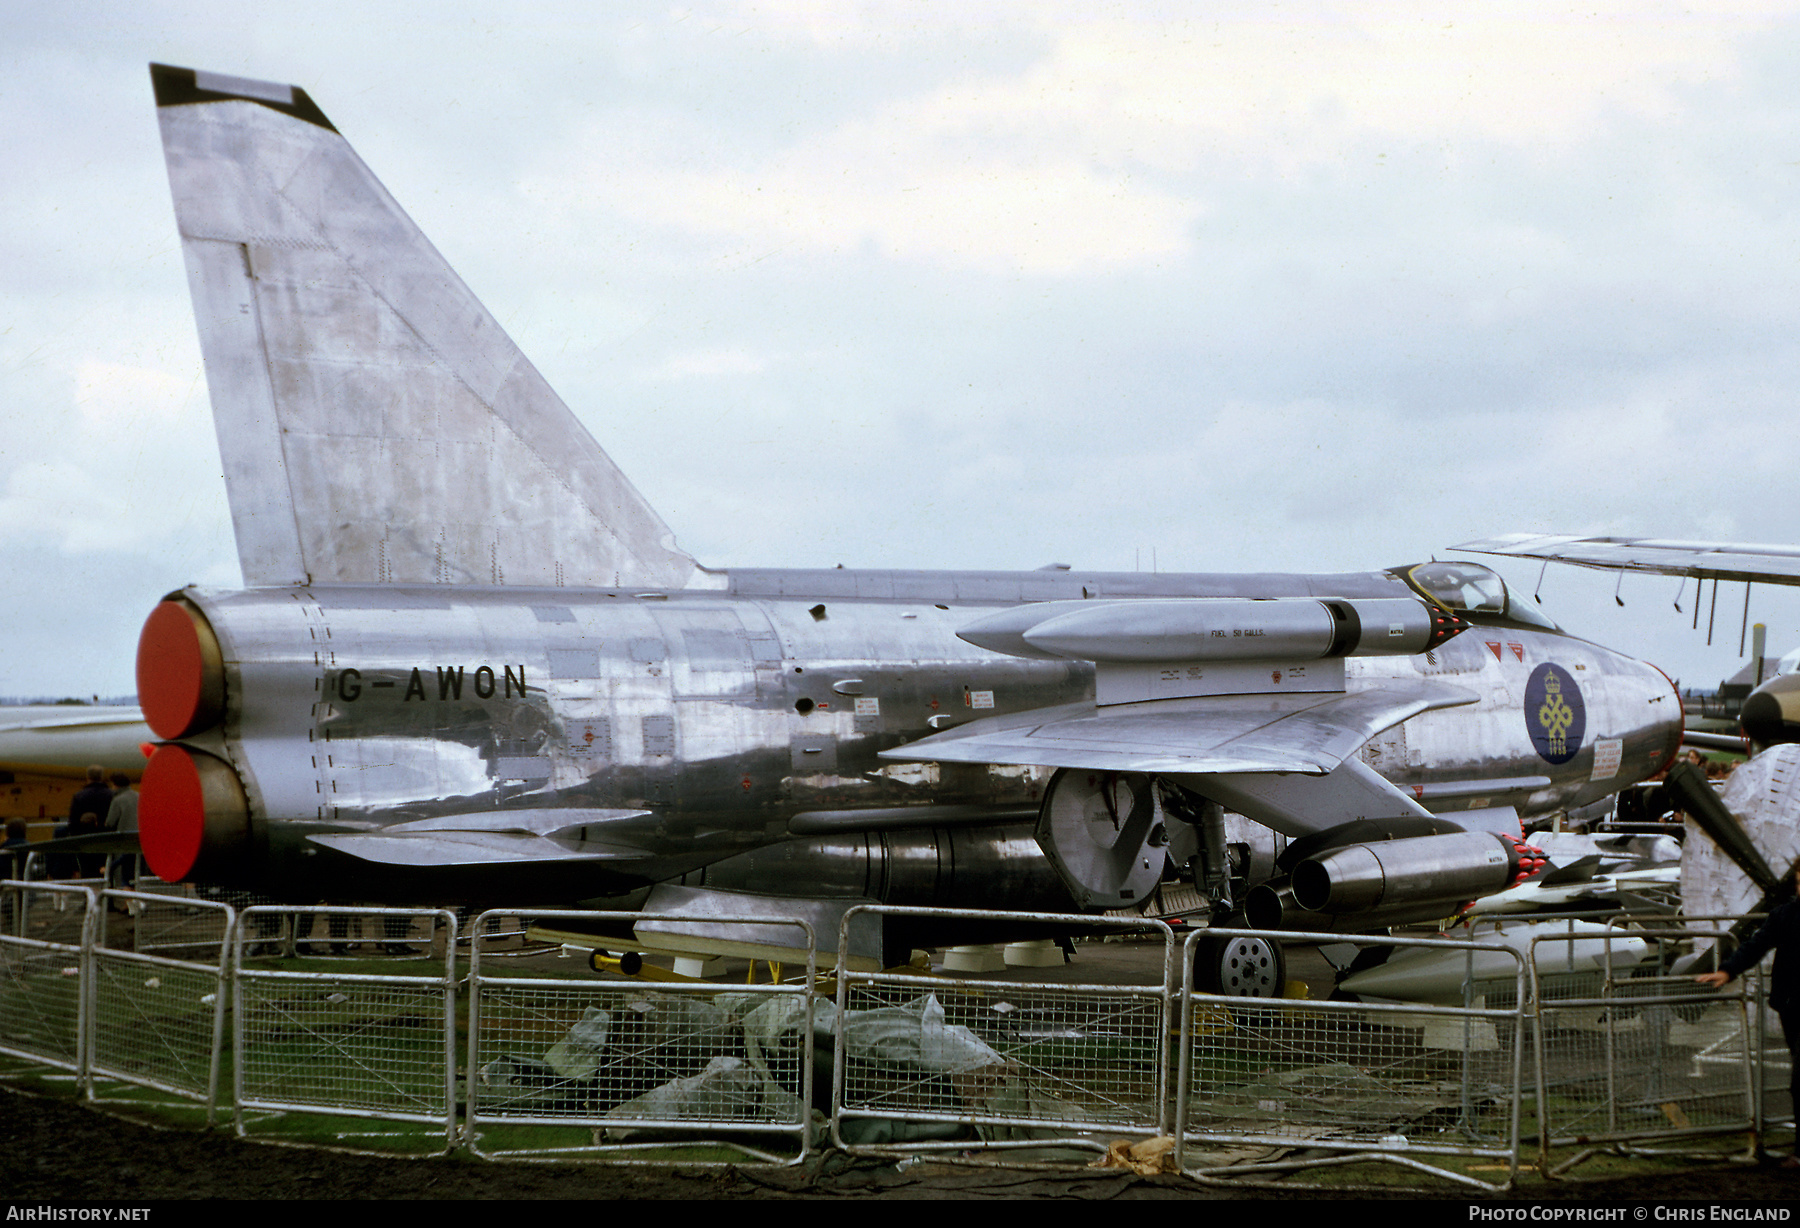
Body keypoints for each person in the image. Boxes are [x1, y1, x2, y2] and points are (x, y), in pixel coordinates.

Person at [1697, 866, 1800, 1168]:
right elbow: (1757, 944)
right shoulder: (1785, 915)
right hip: (1792, 1005)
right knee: (1799, 1076)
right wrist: (1728, 970)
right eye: (1798, 881)